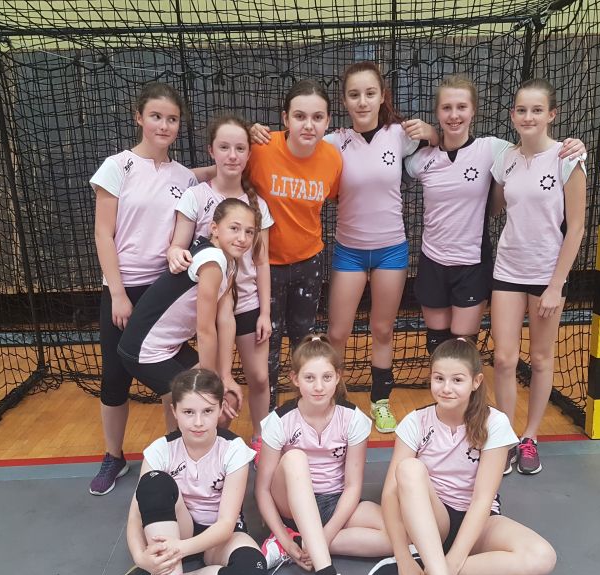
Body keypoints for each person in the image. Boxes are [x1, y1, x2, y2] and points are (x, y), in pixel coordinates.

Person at [364, 338, 556, 575]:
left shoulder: (494, 423)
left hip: (477, 523)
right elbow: (391, 496)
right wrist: (402, 557)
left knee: (542, 558)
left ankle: (430, 568)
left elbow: (483, 500)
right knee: (407, 470)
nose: (447, 387)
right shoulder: (415, 423)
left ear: (476, 381)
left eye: (457, 379)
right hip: (432, 520)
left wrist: (452, 562)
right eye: (439, 378)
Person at [93, 368, 267, 575]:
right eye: (188, 412)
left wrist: (180, 550)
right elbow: (135, 516)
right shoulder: (160, 450)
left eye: (207, 411)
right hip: (178, 527)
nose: (198, 422)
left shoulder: (234, 450)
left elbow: (226, 524)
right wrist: (140, 557)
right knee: (154, 482)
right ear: (174, 411)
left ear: (220, 409)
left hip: (217, 536)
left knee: (252, 574)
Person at [404, 74, 585, 356]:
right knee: (437, 344)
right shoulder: (422, 160)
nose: (454, 115)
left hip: (473, 263)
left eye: (461, 107)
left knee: (463, 349)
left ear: (473, 111)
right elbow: (389, 167)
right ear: (437, 113)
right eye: (446, 108)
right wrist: (432, 136)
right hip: (432, 261)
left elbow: (533, 146)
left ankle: (465, 388)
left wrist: (574, 146)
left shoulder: (493, 149)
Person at [89, 82, 199, 496]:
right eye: (156, 116)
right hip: (123, 286)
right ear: (139, 117)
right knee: (115, 376)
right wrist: (117, 293)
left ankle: (178, 453)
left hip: (164, 289)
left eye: (172, 119)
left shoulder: (185, 177)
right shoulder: (117, 167)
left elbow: (203, 180)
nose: (164, 125)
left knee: (170, 369)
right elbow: (103, 234)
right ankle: (113, 456)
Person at [322, 61, 437, 434]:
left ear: (382, 96)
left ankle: (381, 401)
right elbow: (293, 144)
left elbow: (447, 141)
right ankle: (335, 400)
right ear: (344, 100)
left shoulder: (399, 135)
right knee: (337, 333)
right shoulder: (334, 141)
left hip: (391, 250)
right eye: (354, 94)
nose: (362, 101)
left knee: (382, 329)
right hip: (349, 251)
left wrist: (432, 131)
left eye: (370, 93)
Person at [254, 334, 391, 575]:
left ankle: (302, 542)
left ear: (338, 377)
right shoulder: (280, 420)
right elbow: (262, 490)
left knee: (396, 533)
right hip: (289, 503)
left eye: (326, 377)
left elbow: (353, 486)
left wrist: (323, 536)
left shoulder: (353, 419)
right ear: (295, 379)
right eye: (310, 378)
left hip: (333, 501)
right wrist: (280, 531)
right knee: (295, 459)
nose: (318, 386)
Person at [490, 78, 587, 477]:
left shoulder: (567, 159)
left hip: (547, 275)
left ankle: (529, 437)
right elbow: (496, 208)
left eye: (536, 110)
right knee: (503, 358)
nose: (528, 117)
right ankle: (504, 438)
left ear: (551, 115)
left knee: (543, 357)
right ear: (512, 115)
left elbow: (576, 227)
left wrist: (556, 285)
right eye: (521, 110)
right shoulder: (505, 159)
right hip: (507, 270)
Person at [167, 115, 274, 456]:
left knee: (259, 377)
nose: (232, 155)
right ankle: (200, 447)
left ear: (248, 154)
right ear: (211, 150)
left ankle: (260, 439)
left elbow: (262, 262)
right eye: (224, 147)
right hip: (208, 310)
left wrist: (265, 312)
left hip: (247, 304)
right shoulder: (196, 196)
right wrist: (175, 253)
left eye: (240, 148)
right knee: (206, 384)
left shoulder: (257, 204)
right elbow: (178, 245)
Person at [245, 80, 343, 410]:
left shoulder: (332, 159)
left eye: (317, 117)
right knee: (267, 343)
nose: (308, 125)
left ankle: (307, 412)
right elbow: (227, 165)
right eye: (300, 116)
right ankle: (268, 418)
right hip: (264, 266)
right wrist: (247, 131)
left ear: (328, 121)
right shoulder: (260, 148)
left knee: (304, 343)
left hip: (308, 263)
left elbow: (336, 196)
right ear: (285, 118)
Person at [117, 198, 256, 419]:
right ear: (214, 229)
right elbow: (205, 330)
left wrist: (226, 375)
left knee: (221, 404)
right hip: (145, 352)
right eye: (234, 228)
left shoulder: (229, 262)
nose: (242, 238)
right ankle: (179, 440)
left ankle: (185, 438)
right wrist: (210, 386)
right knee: (208, 409)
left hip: (170, 346)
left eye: (249, 232)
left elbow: (226, 319)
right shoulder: (212, 260)